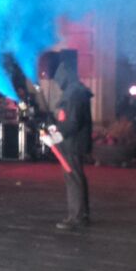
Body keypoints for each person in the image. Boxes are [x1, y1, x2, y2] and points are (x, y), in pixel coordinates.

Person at [50, 61, 92, 230]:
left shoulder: (74, 93)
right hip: (74, 142)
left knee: (73, 178)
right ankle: (82, 213)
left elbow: (72, 121)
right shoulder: (77, 91)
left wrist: (58, 134)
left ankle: (76, 216)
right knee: (77, 177)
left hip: (72, 143)